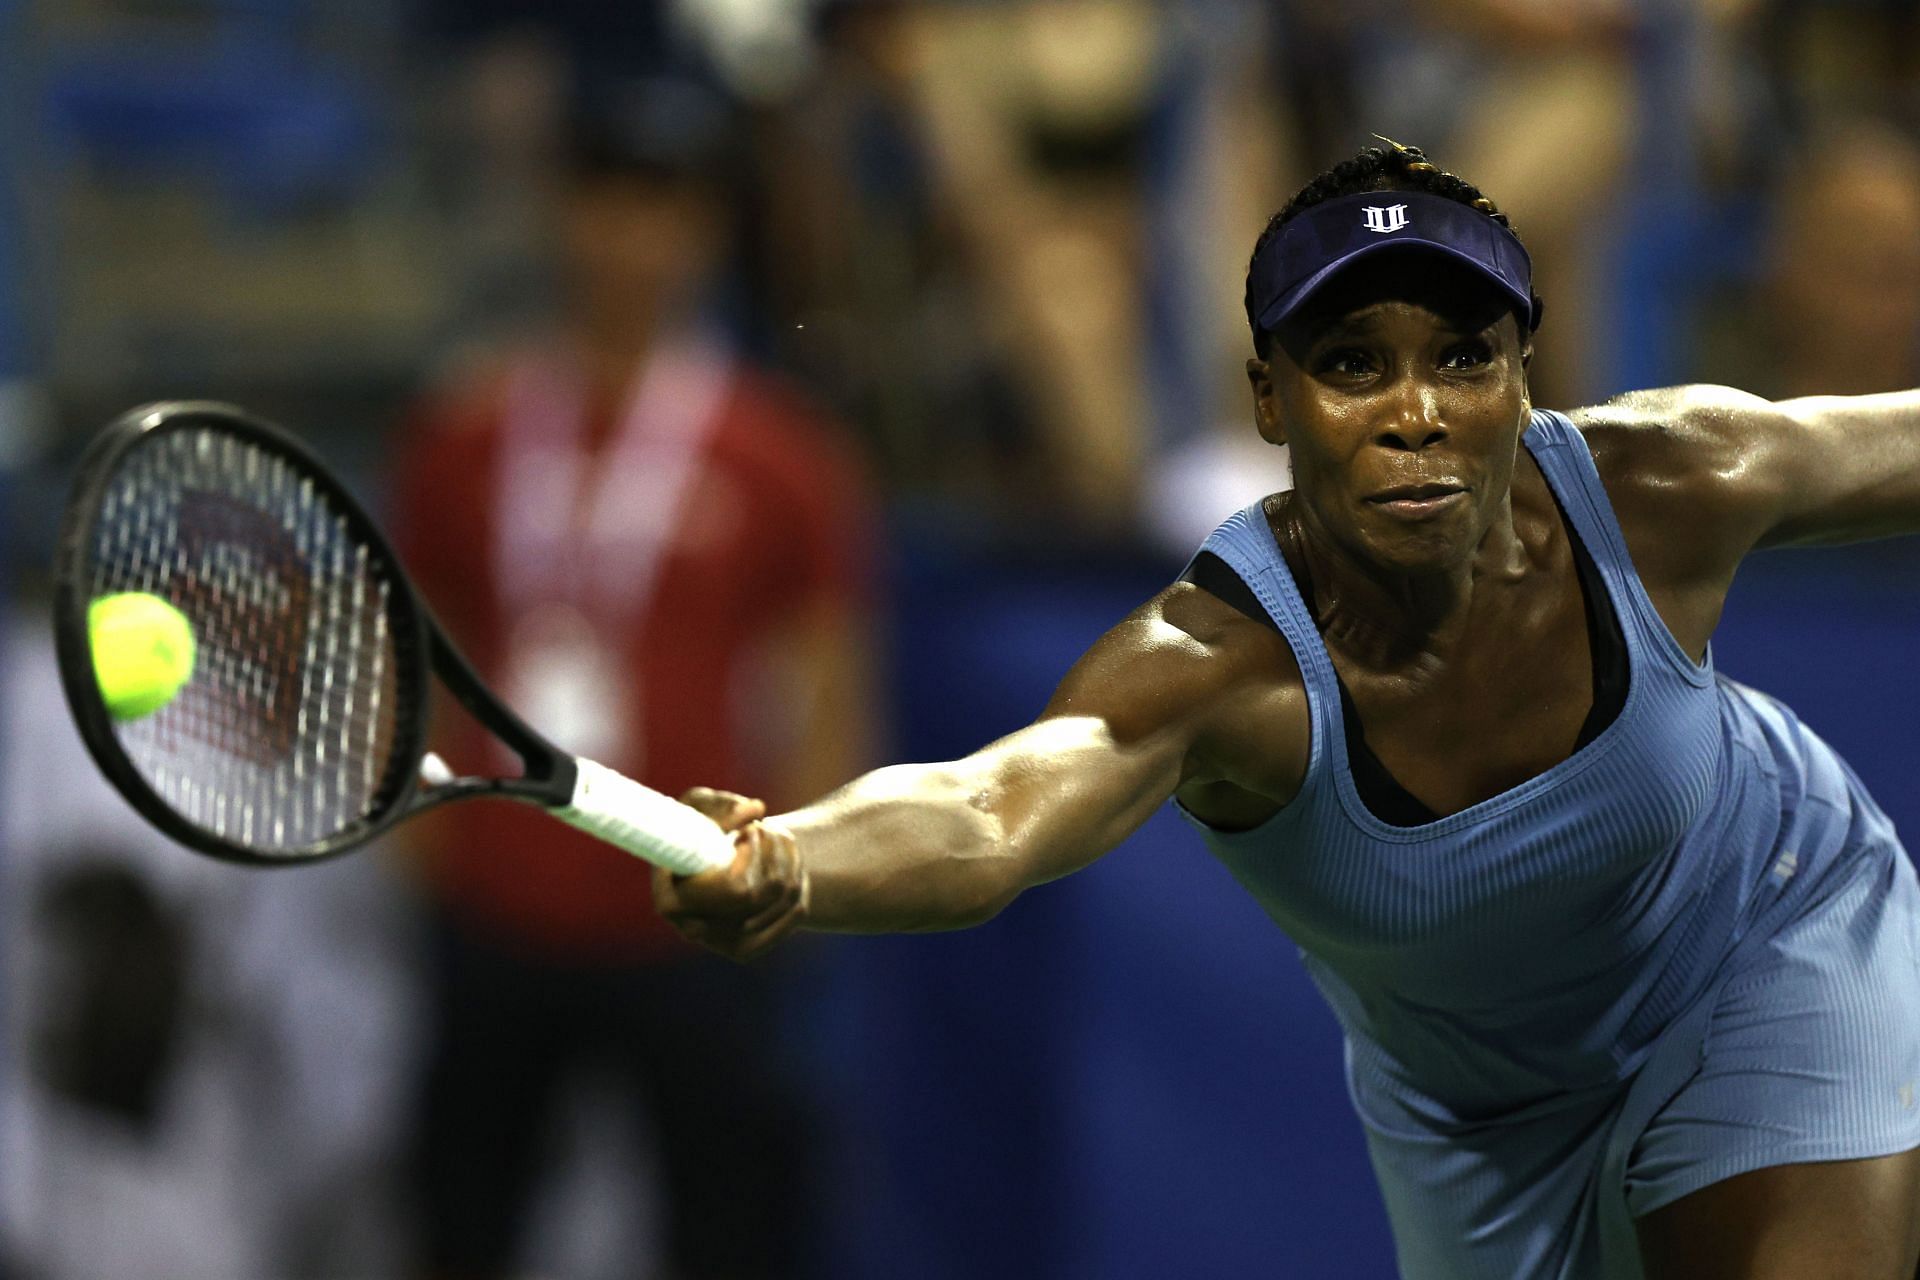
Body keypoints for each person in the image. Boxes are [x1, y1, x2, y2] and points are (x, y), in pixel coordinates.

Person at [656, 140, 1920, 1280]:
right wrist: (791, 855)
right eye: (1353, 364)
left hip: (1772, 928)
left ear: (1523, 379)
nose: (1414, 413)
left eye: (1463, 357)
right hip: (1475, 1121)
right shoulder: (1219, 665)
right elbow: (988, 810)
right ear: (1271, 400)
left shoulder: (1670, 482)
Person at [388, 79, 878, 1280]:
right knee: (464, 1226)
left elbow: (830, 685)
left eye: (663, 206)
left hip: (694, 918)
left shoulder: (782, 453)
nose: (630, 238)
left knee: (725, 1235)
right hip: (497, 909)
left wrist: (793, 891)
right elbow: (410, 641)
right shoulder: (470, 427)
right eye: (606, 201)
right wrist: (426, 846)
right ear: (563, 213)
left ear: (706, 230)